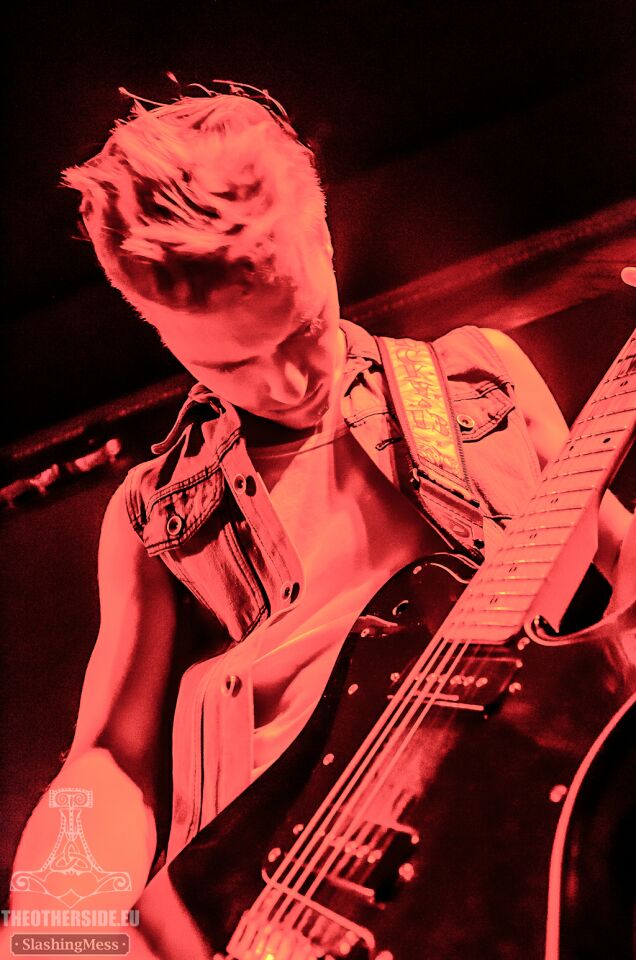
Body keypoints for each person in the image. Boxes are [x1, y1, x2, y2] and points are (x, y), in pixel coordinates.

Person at [8, 83, 635, 957]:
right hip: (300, 899)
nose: (287, 380)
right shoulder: (156, 512)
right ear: (155, 328)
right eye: (230, 364)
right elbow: (111, 757)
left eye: (301, 329)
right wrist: (53, 924)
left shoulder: (475, 379)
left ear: (326, 238)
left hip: (531, 833)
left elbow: (615, 556)